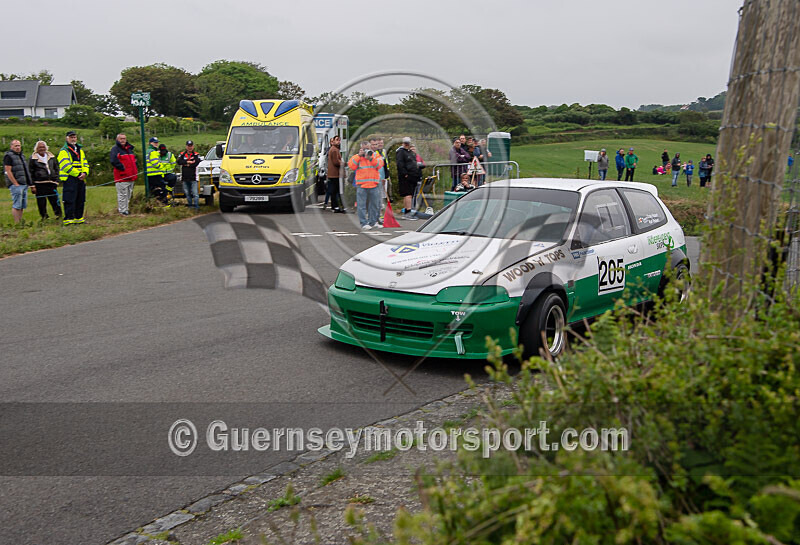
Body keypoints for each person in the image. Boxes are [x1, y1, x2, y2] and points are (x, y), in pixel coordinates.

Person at [348, 142, 383, 229]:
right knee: (361, 206)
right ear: (361, 149)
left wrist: (370, 158)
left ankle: (373, 222)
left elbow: (379, 165)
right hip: (362, 185)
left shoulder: (375, 156)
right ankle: (364, 223)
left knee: (374, 205)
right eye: (364, 149)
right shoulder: (357, 157)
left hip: (373, 184)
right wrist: (359, 156)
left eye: (368, 149)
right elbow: (351, 165)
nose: (366, 151)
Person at [57, 131, 89, 225]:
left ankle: (79, 218)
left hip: (81, 179)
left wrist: (85, 173)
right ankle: (69, 219)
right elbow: (65, 166)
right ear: (67, 138)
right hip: (69, 178)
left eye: (74, 137)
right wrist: (78, 174)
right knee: (69, 199)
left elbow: (85, 163)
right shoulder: (64, 151)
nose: (73, 139)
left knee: (80, 199)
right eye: (71, 137)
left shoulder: (80, 150)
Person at [29, 140, 62, 220]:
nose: (42, 148)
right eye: (40, 147)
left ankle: (59, 215)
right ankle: (44, 217)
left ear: (46, 148)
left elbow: (56, 168)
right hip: (39, 183)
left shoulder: (51, 157)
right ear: (36, 148)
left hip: (51, 183)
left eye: (43, 147)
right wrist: (32, 185)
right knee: (41, 202)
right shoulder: (33, 159)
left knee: (55, 200)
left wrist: (56, 181)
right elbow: (30, 172)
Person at [4, 139, 33, 224]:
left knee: (22, 205)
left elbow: (25, 170)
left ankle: (20, 222)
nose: (18, 147)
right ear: (11, 146)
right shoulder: (8, 156)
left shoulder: (22, 156)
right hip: (16, 184)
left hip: (24, 183)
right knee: (17, 204)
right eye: (15, 145)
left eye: (19, 145)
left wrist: (29, 183)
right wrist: (15, 183)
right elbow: (8, 171)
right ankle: (17, 223)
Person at [110, 133, 138, 216]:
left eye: (124, 138)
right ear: (117, 139)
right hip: (121, 176)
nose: (123, 140)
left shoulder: (129, 149)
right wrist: (122, 169)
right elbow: (113, 160)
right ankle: (122, 211)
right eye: (121, 139)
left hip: (131, 176)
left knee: (128, 195)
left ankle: (126, 209)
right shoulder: (115, 149)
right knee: (122, 195)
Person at [396, 136, 421, 219]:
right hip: (406, 177)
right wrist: (405, 174)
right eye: (405, 143)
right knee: (408, 194)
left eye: (408, 143)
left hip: (413, 176)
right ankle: (408, 212)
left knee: (409, 194)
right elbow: (400, 164)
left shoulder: (410, 152)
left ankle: (407, 211)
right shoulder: (401, 152)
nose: (407, 145)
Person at [176, 140, 200, 210]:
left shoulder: (196, 154)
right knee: (187, 193)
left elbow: (196, 163)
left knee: (195, 193)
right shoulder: (182, 154)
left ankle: (196, 207)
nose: (190, 147)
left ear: (193, 146)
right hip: (185, 177)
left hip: (193, 177)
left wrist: (186, 164)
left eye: (191, 146)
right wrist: (188, 162)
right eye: (188, 146)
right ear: (186, 146)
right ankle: (190, 206)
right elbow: (179, 161)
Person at [325, 135, 345, 213]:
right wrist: (344, 163)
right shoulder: (334, 150)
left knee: (334, 190)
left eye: (339, 140)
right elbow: (336, 162)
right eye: (337, 140)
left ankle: (335, 206)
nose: (338, 141)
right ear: (333, 141)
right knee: (336, 190)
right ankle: (335, 206)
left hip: (333, 174)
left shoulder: (335, 149)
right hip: (335, 174)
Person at [146, 137, 168, 204]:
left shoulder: (148, 151)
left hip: (149, 174)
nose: (156, 144)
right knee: (161, 190)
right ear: (150, 143)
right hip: (155, 173)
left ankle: (153, 203)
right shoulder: (153, 152)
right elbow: (156, 163)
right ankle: (163, 204)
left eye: (157, 142)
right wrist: (162, 167)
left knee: (152, 190)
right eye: (155, 142)